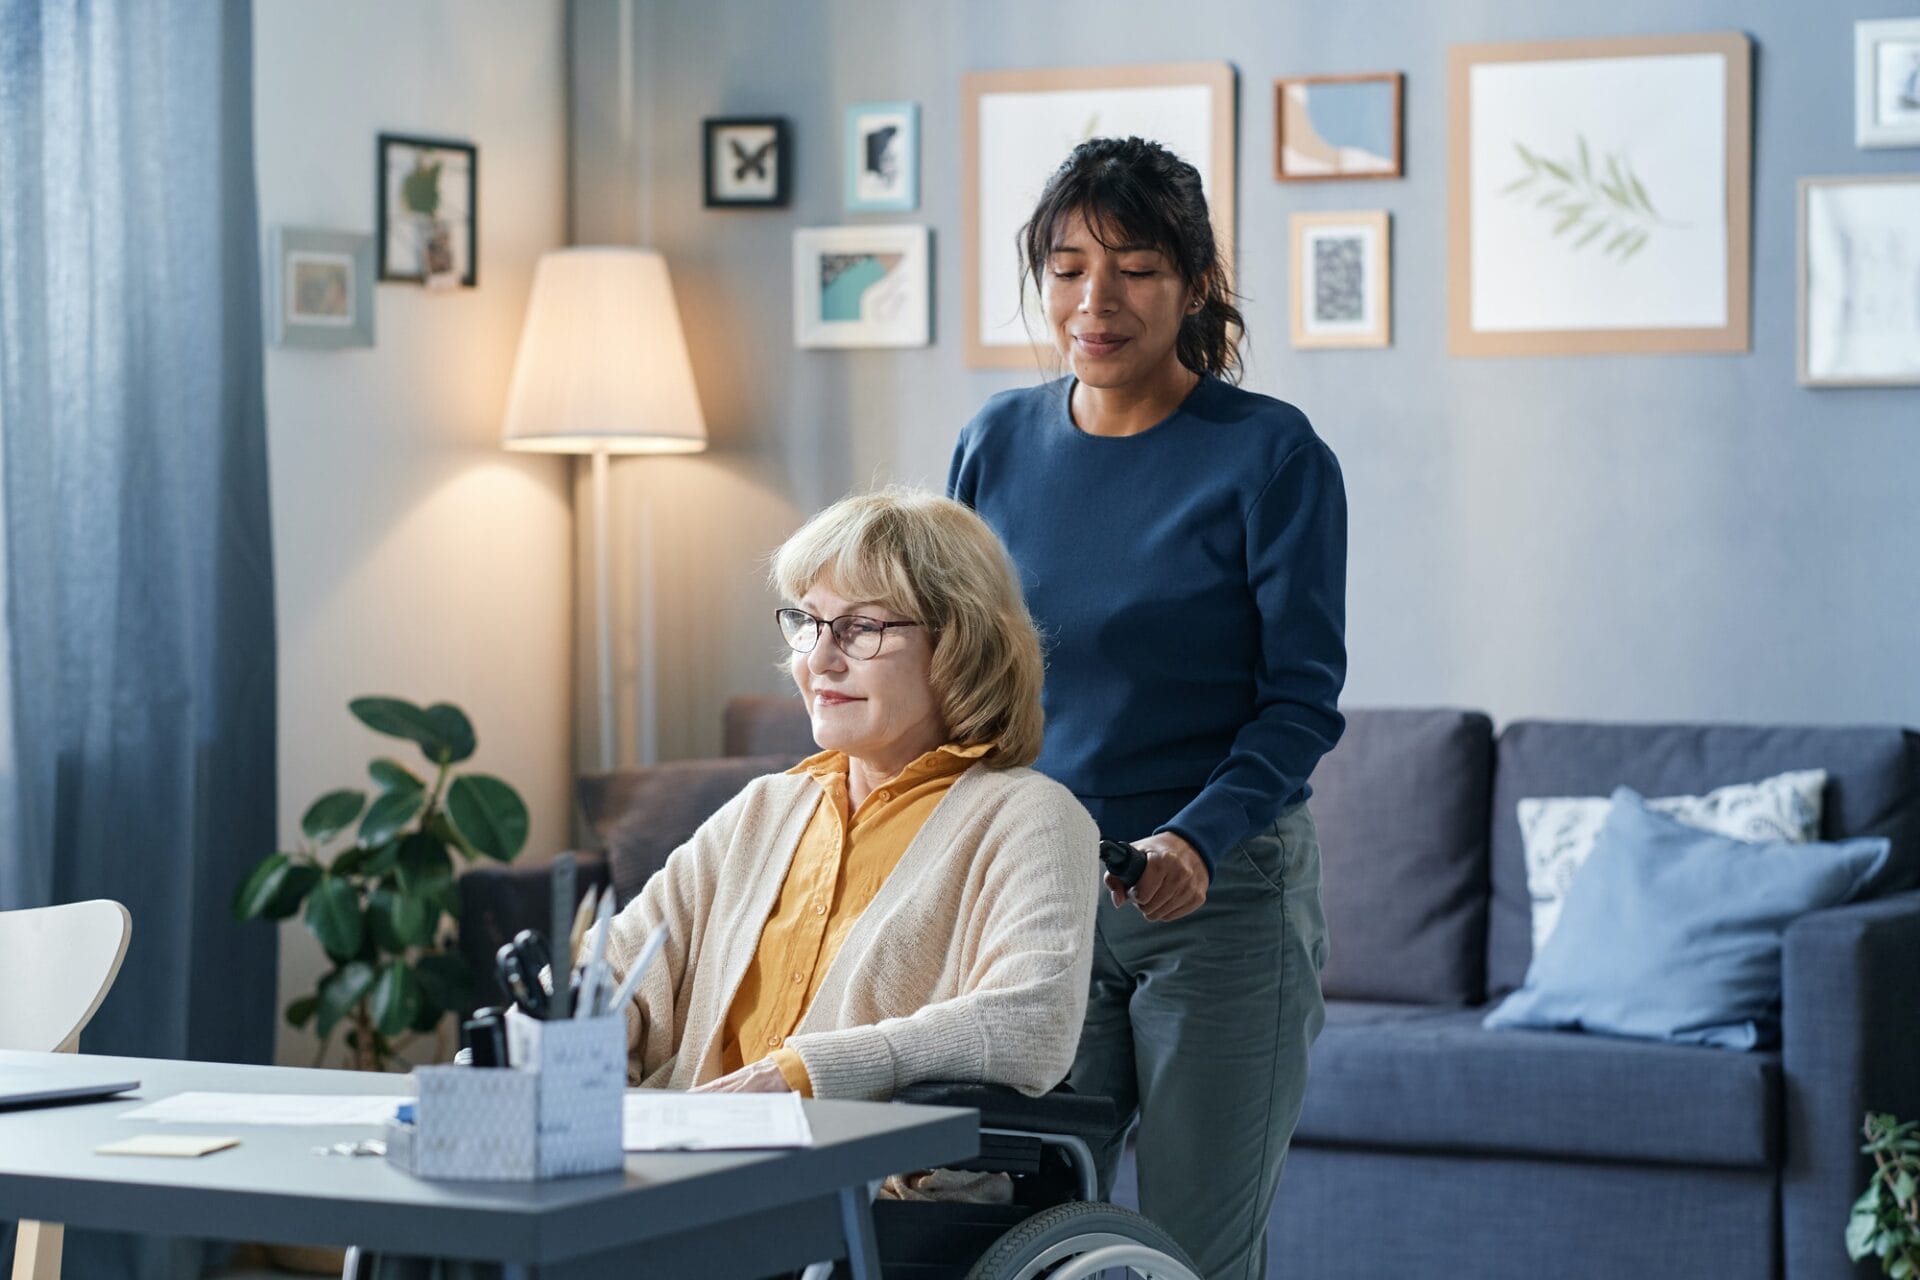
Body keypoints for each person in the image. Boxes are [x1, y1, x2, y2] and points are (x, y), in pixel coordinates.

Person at [947, 135, 1347, 1279]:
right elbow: (960, 669)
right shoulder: (994, 441)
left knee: (1185, 1256)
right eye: (1070, 267)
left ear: (1196, 283)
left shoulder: (1270, 456)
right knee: (1016, 1237)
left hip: (1216, 904)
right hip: (1041, 895)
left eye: (1135, 266)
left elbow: (1301, 703)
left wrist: (1197, 835)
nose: (1096, 300)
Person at [593, 488, 1098, 1105]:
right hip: (691, 1161)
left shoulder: (1029, 818)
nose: (820, 661)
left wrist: (802, 1074)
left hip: (868, 1183)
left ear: (958, 645)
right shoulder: (766, 808)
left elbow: (1032, 1023)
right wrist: (545, 1040)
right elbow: (616, 967)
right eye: (808, 622)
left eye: (860, 629)